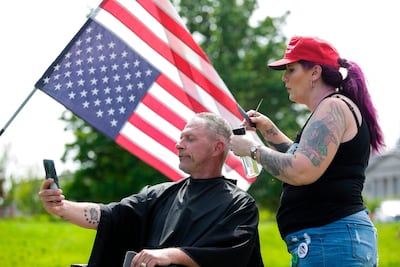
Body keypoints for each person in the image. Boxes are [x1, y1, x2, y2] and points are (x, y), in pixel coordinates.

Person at [230, 36, 384, 267]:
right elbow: (302, 156)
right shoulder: (333, 107)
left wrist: (252, 149)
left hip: (331, 240)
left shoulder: (333, 107)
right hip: (330, 241)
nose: (284, 78)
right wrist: (269, 129)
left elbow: (302, 170)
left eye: (291, 70)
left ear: (314, 73)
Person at [39, 112, 264, 267]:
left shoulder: (239, 205)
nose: (179, 144)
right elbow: (110, 216)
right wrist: (61, 207)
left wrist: (168, 255)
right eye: (180, 138)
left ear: (217, 148)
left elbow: (229, 256)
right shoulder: (159, 194)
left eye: (190, 139)